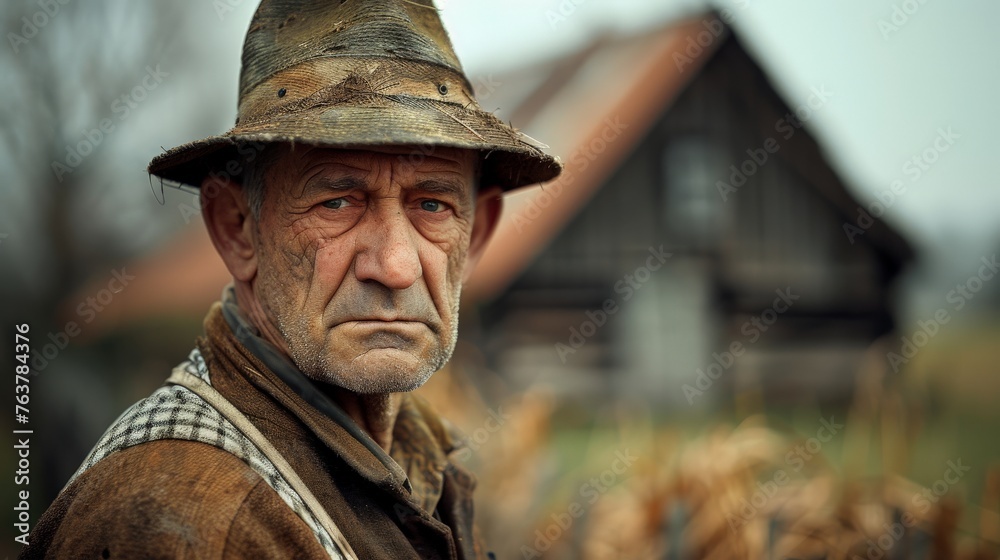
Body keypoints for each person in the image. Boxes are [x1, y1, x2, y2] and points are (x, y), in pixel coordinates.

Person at [20, 1, 561, 558]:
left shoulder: (412, 460)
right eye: (338, 201)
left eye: (432, 204)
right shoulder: (179, 521)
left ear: (475, 237)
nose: (396, 267)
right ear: (238, 229)